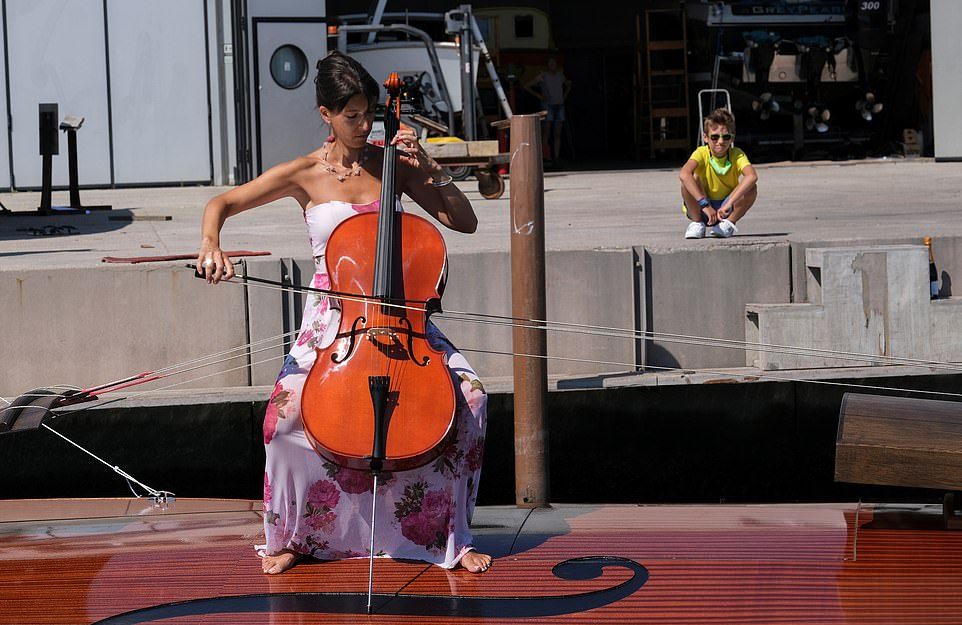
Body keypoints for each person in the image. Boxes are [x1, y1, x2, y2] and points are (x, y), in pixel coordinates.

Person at [196, 51, 492, 576]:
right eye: (351, 115)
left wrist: (432, 171)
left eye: (369, 115)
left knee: (469, 398)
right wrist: (210, 244)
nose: (363, 126)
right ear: (325, 114)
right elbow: (221, 203)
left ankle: (450, 535)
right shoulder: (303, 174)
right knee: (283, 420)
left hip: (401, 318)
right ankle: (291, 535)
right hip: (334, 323)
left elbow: (462, 221)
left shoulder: (392, 165)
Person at [679, 108, 758, 239]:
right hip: (702, 205)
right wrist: (705, 205)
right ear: (705, 137)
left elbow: (752, 176)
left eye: (726, 137)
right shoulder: (701, 153)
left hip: (726, 208)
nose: (720, 142)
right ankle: (697, 223)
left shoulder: (737, 154)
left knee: (751, 188)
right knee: (691, 179)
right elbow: (683, 174)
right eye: (714, 137)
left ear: (732, 138)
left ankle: (728, 223)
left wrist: (728, 204)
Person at [524, 57, 572, 164]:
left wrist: (564, 96)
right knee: (546, 131)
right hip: (548, 106)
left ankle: (556, 157)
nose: (552, 65)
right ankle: (544, 156)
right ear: (547, 65)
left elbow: (568, 84)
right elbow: (527, 86)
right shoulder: (543, 76)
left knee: (557, 133)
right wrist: (539, 96)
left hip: (559, 105)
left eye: (554, 63)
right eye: (550, 63)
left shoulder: (560, 75)